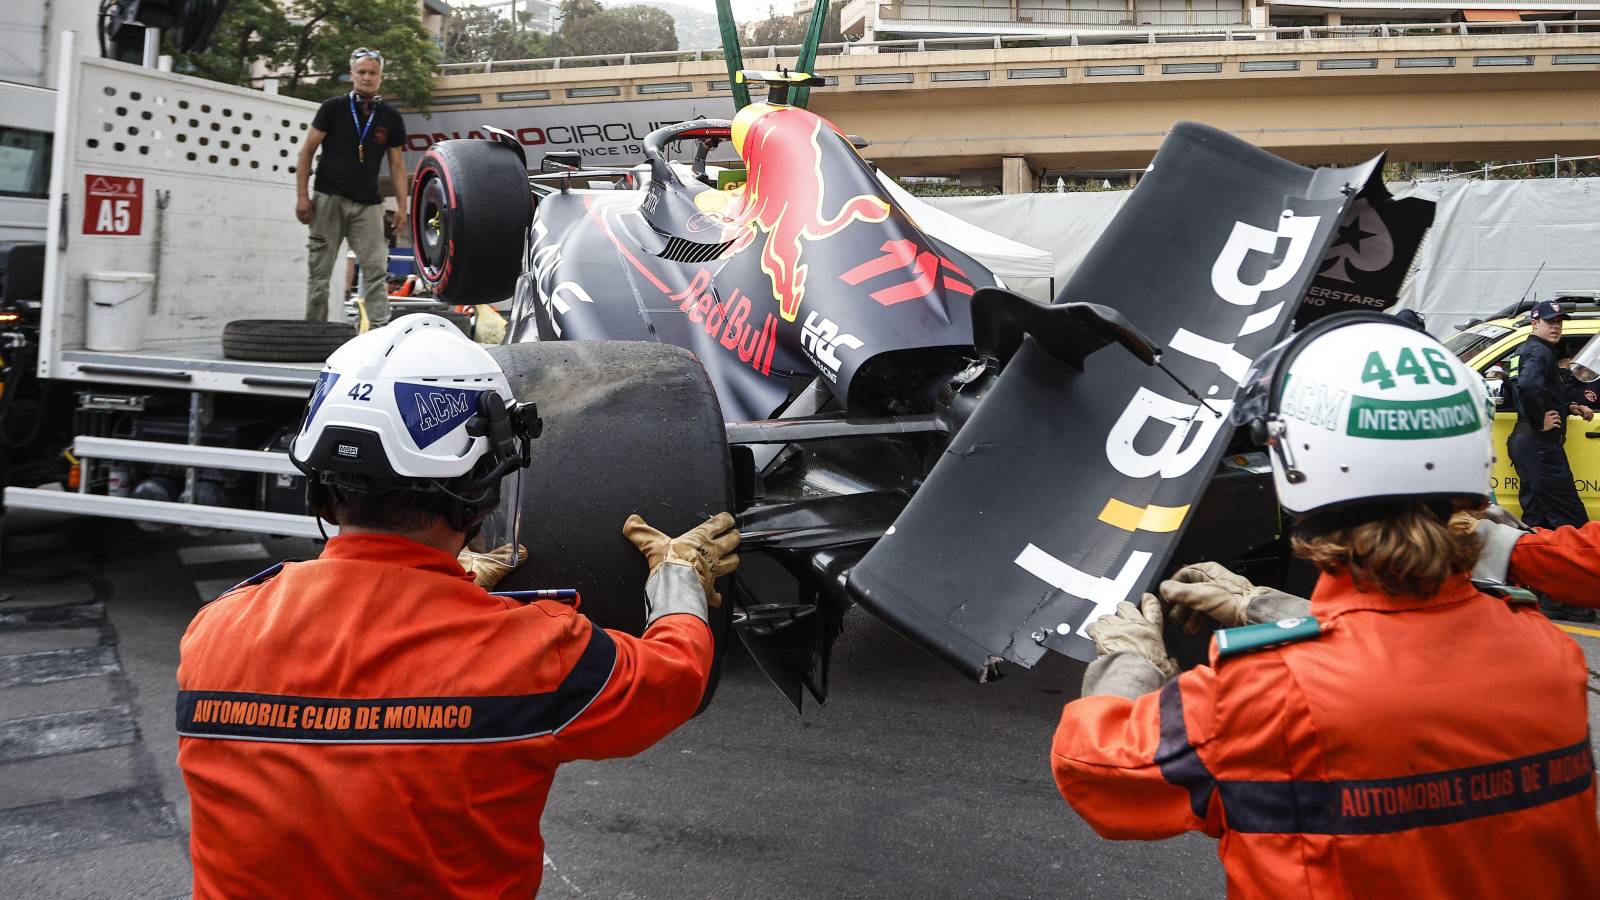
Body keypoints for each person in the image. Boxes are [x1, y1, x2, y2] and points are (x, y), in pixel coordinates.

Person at [176, 315, 738, 897]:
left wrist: (453, 587)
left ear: (320, 484)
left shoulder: (213, 630)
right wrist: (679, 579)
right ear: (481, 491)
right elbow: (674, 678)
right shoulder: (537, 653)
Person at [1051, 312, 1600, 899]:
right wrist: (1267, 607)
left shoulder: (1268, 693)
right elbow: (1406, 658)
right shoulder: (1543, 651)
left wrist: (1130, 662)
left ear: (1298, 462)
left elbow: (1102, 771)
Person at [297, 47, 408, 329]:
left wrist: (403, 206)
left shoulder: (390, 117)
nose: (367, 77)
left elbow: (397, 165)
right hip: (329, 198)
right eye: (362, 72)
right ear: (352, 75)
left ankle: (382, 334)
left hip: (368, 204)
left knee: (375, 271)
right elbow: (307, 151)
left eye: (373, 73)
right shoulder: (333, 108)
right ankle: (313, 333)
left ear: (381, 77)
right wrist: (302, 196)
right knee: (320, 271)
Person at [1504, 300, 1594, 620]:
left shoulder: (1534, 350)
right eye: (1549, 321)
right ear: (1534, 323)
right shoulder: (1539, 352)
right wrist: (1541, 417)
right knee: (1567, 518)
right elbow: (1526, 386)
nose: (1556, 326)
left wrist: (1571, 405)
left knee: (1537, 517)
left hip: (1528, 443)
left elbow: (1537, 387)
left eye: (1559, 321)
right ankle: (1567, 597)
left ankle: (1541, 591)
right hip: (1539, 445)